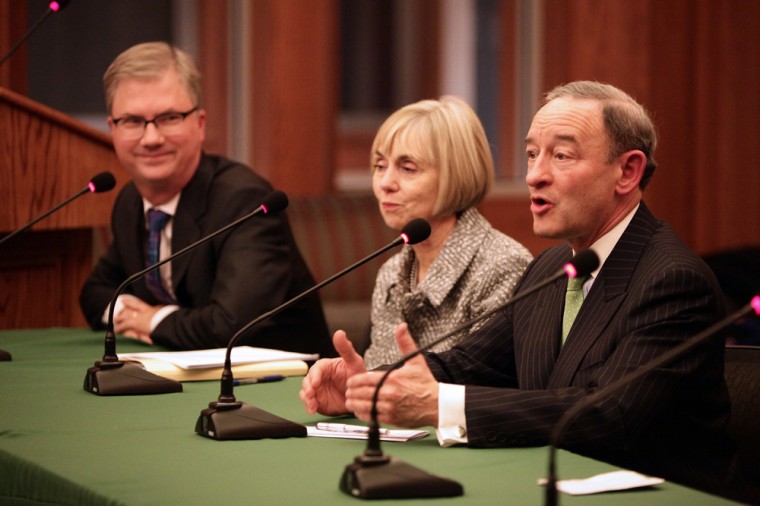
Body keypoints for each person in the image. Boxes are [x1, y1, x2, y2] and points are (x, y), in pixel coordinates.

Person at [300, 81, 742, 498]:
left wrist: (438, 406)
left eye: (561, 156)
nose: (534, 176)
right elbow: (469, 364)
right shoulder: (553, 267)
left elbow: (607, 415)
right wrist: (373, 384)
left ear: (627, 171)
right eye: (531, 155)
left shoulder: (671, 279)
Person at [79, 42, 333, 358]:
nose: (151, 138)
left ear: (199, 124)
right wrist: (131, 317)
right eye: (132, 121)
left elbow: (229, 325)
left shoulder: (245, 201)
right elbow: (94, 293)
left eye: (169, 117)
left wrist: (152, 321)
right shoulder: (131, 202)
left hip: (283, 386)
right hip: (180, 377)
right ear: (112, 129)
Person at [362, 96, 532, 369]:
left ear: (456, 174)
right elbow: (377, 373)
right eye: (380, 166)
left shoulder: (502, 266)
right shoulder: (392, 273)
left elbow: (484, 383)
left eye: (407, 168)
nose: (385, 183)